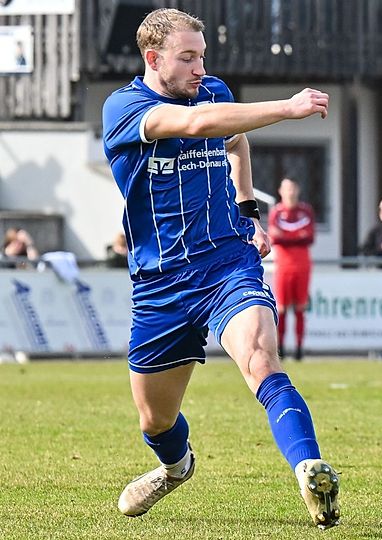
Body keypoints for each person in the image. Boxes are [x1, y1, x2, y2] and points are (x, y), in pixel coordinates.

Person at [101, 9, 339, 528]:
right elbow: (196, 125)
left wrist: (249, 210)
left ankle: (310, 468)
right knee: (156, 419)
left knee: (260, 359)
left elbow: (233, 140)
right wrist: (288, 107)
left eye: (202, 56)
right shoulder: (124, 108)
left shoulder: (213, 91)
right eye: (186, 58)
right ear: (152, 59)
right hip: (160, 282)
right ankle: (176, 466)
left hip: (227, 262)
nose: (198, 68)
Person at [268, 178, 315, 361]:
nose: (290, 192)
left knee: (300, 308)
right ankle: (281, 348)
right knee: (281, 309)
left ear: (298, 189)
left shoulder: (306, 211)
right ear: (281, 191)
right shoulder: (276, 212)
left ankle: (299, 349)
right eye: (287, 188)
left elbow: (309, 237)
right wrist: (297, 236)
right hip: (283, 265)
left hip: (303, 265)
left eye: (293, 188)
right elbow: (275, 237)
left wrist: (286, 236)